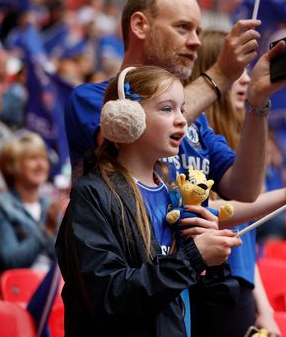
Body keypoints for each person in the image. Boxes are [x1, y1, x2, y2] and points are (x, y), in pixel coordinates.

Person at [65, 0, 286, 205]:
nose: (196, 42)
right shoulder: (91, 98)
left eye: (198, 31)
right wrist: (221, 75)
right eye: (183, 27)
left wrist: (258, 102)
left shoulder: (196, 120)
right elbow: (131, 138)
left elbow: (245, 189)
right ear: (140, 25)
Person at [56, 66, 242, 336]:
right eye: (167, 109)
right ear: (126, 118)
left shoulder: (174, 195)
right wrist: (192, 259)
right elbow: (109, 297)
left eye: (182, 109)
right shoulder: (93, 194)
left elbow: (214, 313)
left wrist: (215, 268)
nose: (182, 120)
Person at [188, 30, 286, 336]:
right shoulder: (193, 145)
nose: (247, 80)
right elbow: (212, 211)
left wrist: (265, 310)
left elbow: (246, 243)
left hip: (240, 293)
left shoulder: (238, 148)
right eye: (236, 73)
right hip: (211, 290)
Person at [0, 133, 63, 277]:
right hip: (16, 289)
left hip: (52, 287)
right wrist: (46, 230)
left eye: (44, 158)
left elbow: (63, 260)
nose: (41, 164)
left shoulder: (49, 205)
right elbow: (12, 261)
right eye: (33, 158)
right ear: (12, 166)